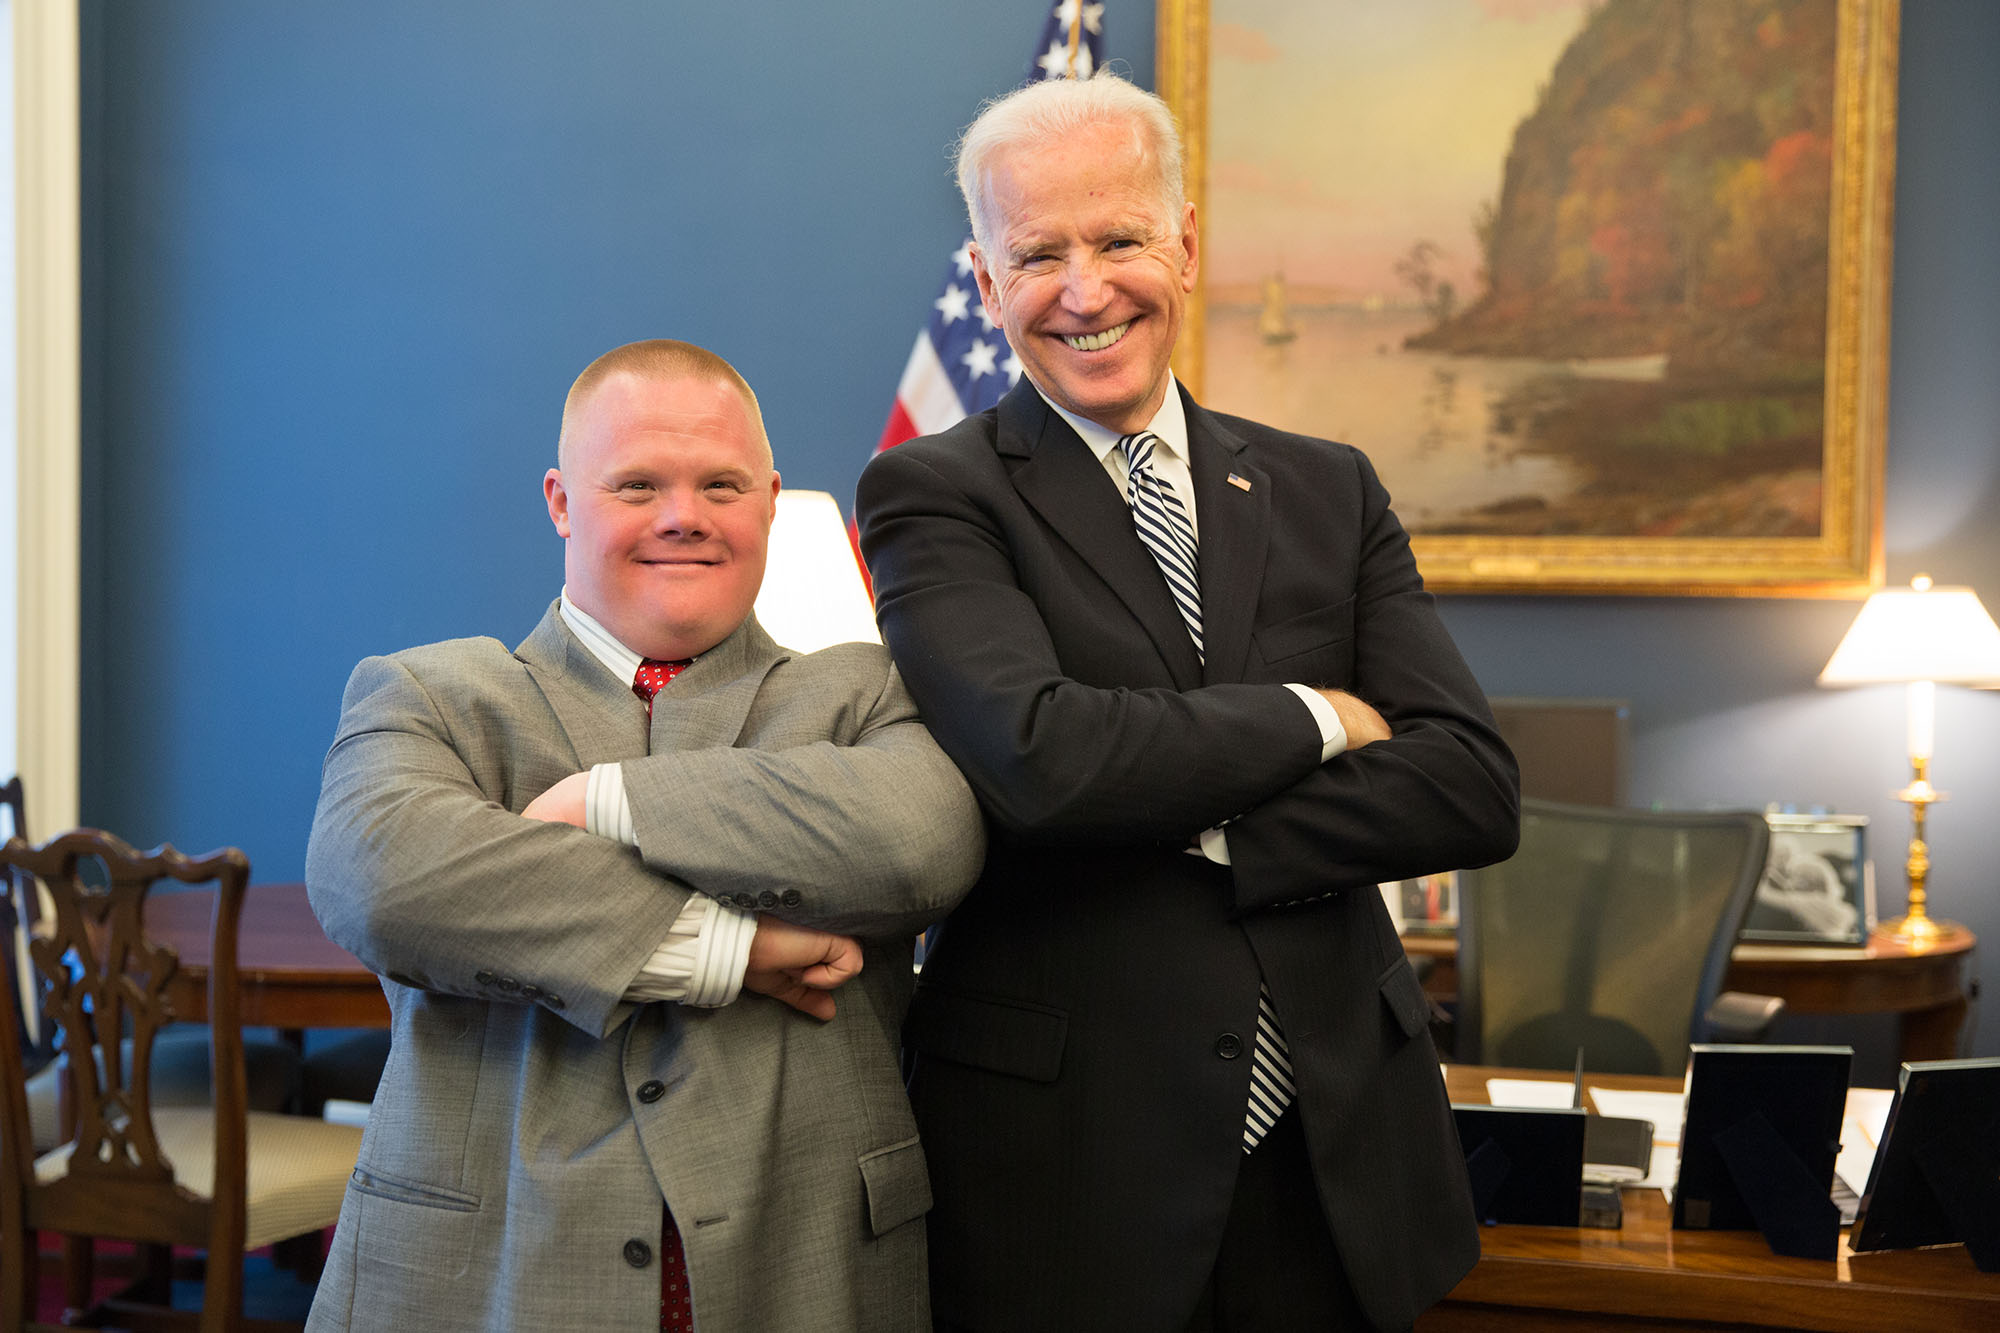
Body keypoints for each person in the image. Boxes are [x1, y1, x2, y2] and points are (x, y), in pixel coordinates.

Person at [855, 75, 1520, 1331]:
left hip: (1340, 1155)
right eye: (1036, 252)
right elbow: (1039, 759)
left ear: (1188, 244)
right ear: (987, 283)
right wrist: (1317, 716)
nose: (1083, 289)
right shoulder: (930, 493)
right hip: (1074, 1164)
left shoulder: (1328, 488)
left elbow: (1470, 785)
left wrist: (1211, 829)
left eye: (1117, 239)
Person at [305, 339, 984, 1331]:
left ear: (767, 500)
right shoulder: (428, 695)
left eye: (720, 483)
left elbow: (924, 838)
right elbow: (381, 881)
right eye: (637, 484)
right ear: (560, 502)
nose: (683, 515)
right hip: (487, 1276)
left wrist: (604, 802)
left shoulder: (865, 688)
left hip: (804, 1271)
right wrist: (728, 950)